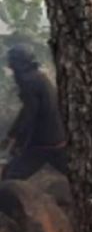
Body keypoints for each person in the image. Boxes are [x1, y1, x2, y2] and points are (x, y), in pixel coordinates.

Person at [0, 45, 68, 180]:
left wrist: (18, 142)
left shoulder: (28, 81)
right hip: (57, 138)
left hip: (42, 143)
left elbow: (29, 115)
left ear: (18, 64)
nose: (12, 69)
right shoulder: (38, 77)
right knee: (75, 174)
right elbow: (27, 111)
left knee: (11, 176)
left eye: (12, 65)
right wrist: (11, 136)